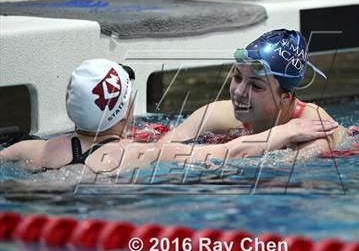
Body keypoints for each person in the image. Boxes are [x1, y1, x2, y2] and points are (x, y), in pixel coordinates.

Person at [0, 58, 338, 173]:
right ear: (127, 110)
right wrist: (284, 133)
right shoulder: (139, 154)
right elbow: (227, 152)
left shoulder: (35, 150)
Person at [160, 29, 344, 158]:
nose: (239, 92)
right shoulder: (219, 113)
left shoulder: (313, 123)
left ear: (285, 98)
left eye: (256, 87)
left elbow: (291, 171)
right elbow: (160, 150)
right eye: (238, 77)